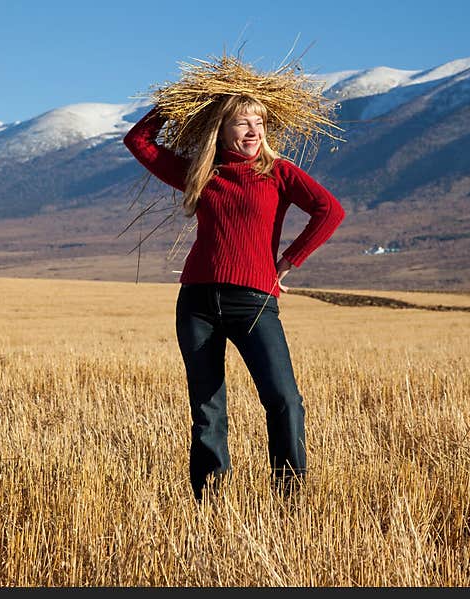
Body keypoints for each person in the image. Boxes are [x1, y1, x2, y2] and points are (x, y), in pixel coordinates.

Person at [123, 94, 346, 501]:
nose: (253, 132)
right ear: (221, 129)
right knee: (208, 410)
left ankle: (289, 499)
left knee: (284, 400)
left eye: (259, 123)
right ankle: (212, 504)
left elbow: (329, 210)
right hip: (197, 304)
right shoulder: (202, 172)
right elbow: (139, 141)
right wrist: (182, 101)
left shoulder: (278, 173)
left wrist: (289, 260)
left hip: (254, 303)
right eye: (243, 123)